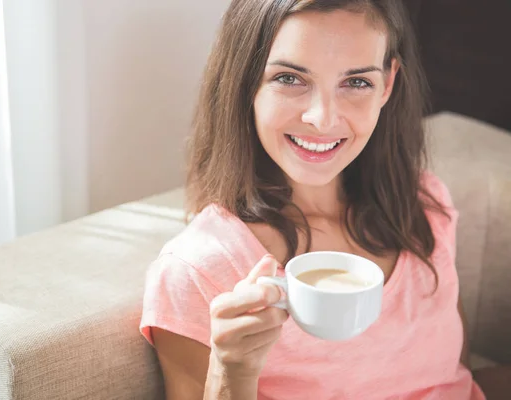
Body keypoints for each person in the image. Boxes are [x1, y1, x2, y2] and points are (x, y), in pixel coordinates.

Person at [139, 0, 507, 398]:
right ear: (245, 81)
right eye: (290, 78)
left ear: (387, 85)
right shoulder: (199, 270)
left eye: (356, 82)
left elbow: (457, 377)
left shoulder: (422, 204)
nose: (323, 117)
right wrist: (232, 371)